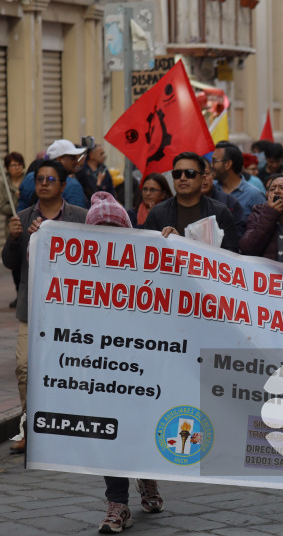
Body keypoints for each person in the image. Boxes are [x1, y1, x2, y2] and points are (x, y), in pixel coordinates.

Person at [82, 192, 166, 533]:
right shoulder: (77, 264)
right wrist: (38, 241)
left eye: (113, 228)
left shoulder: (146, 262)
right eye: (98, 229)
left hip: (142, 361)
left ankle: (148, 479)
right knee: (108, 431)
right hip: (99, 366)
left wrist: (171, 247)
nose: (106, 236)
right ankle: (117, 502)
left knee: (142, 425)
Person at [2, 160, 88, 454]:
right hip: (32, 309)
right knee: (25, 368)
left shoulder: (81, 218)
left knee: (70, 369)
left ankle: (71, 425)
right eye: (39, 178)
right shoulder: (22, 218)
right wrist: (14, 239)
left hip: (70, 311)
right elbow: (11, 263)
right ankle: (30, 430)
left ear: (64, 185)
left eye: (51, 179)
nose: (44, 183)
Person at [142, 152, 238, 252]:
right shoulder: (157, 213)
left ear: (202, 179)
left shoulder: (220, 213)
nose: (183, 178)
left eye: (190, 173)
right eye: (177, 174)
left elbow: (231, 255)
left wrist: (181, 243)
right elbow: (145, 252)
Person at [17, 140, 89, 210]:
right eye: (73, 158)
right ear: (59, 159)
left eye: (77, 158)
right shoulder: (72, 185)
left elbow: (21, 210)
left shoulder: (29, 178)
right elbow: (77, 218)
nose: (77, 162)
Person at [210, 142, 266, 217]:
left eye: (214, 161)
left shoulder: (254, 195)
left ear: (228, 164)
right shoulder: (211, 188)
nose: (211, 165)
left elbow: (263, 224)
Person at [1, 152, 26, 308]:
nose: (16, 168)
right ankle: (18, 293)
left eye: (18, 164)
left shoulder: (28, 181)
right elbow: (3, 206)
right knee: (14, 260)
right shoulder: (4, 184)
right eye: (13, 165)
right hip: (12, 225)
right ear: (7, 168)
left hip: (27, 223)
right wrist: (16, 202)